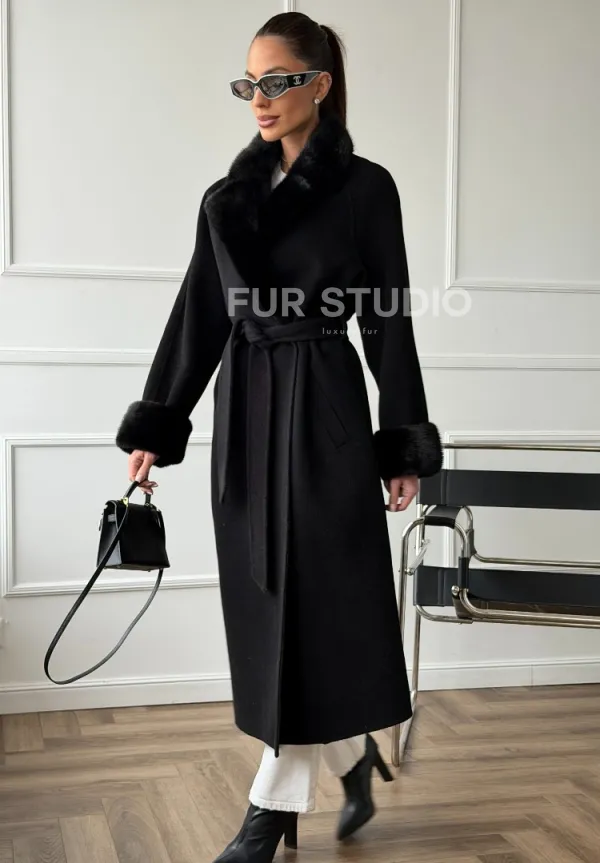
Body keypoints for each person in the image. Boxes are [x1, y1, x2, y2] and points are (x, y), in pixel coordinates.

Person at [116, 10, 442, 863]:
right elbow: (199, 314)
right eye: (248, 84)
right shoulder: (224, 200)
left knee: (316, 602)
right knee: (269, 608)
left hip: (326, 406)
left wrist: (400, 440)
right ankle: (349, 758)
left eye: (277, 81)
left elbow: (389, 321)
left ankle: (265, 814)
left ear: (319, 85)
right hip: (247, 413)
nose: (259, 98)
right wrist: (160, 420)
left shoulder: (366, 188)